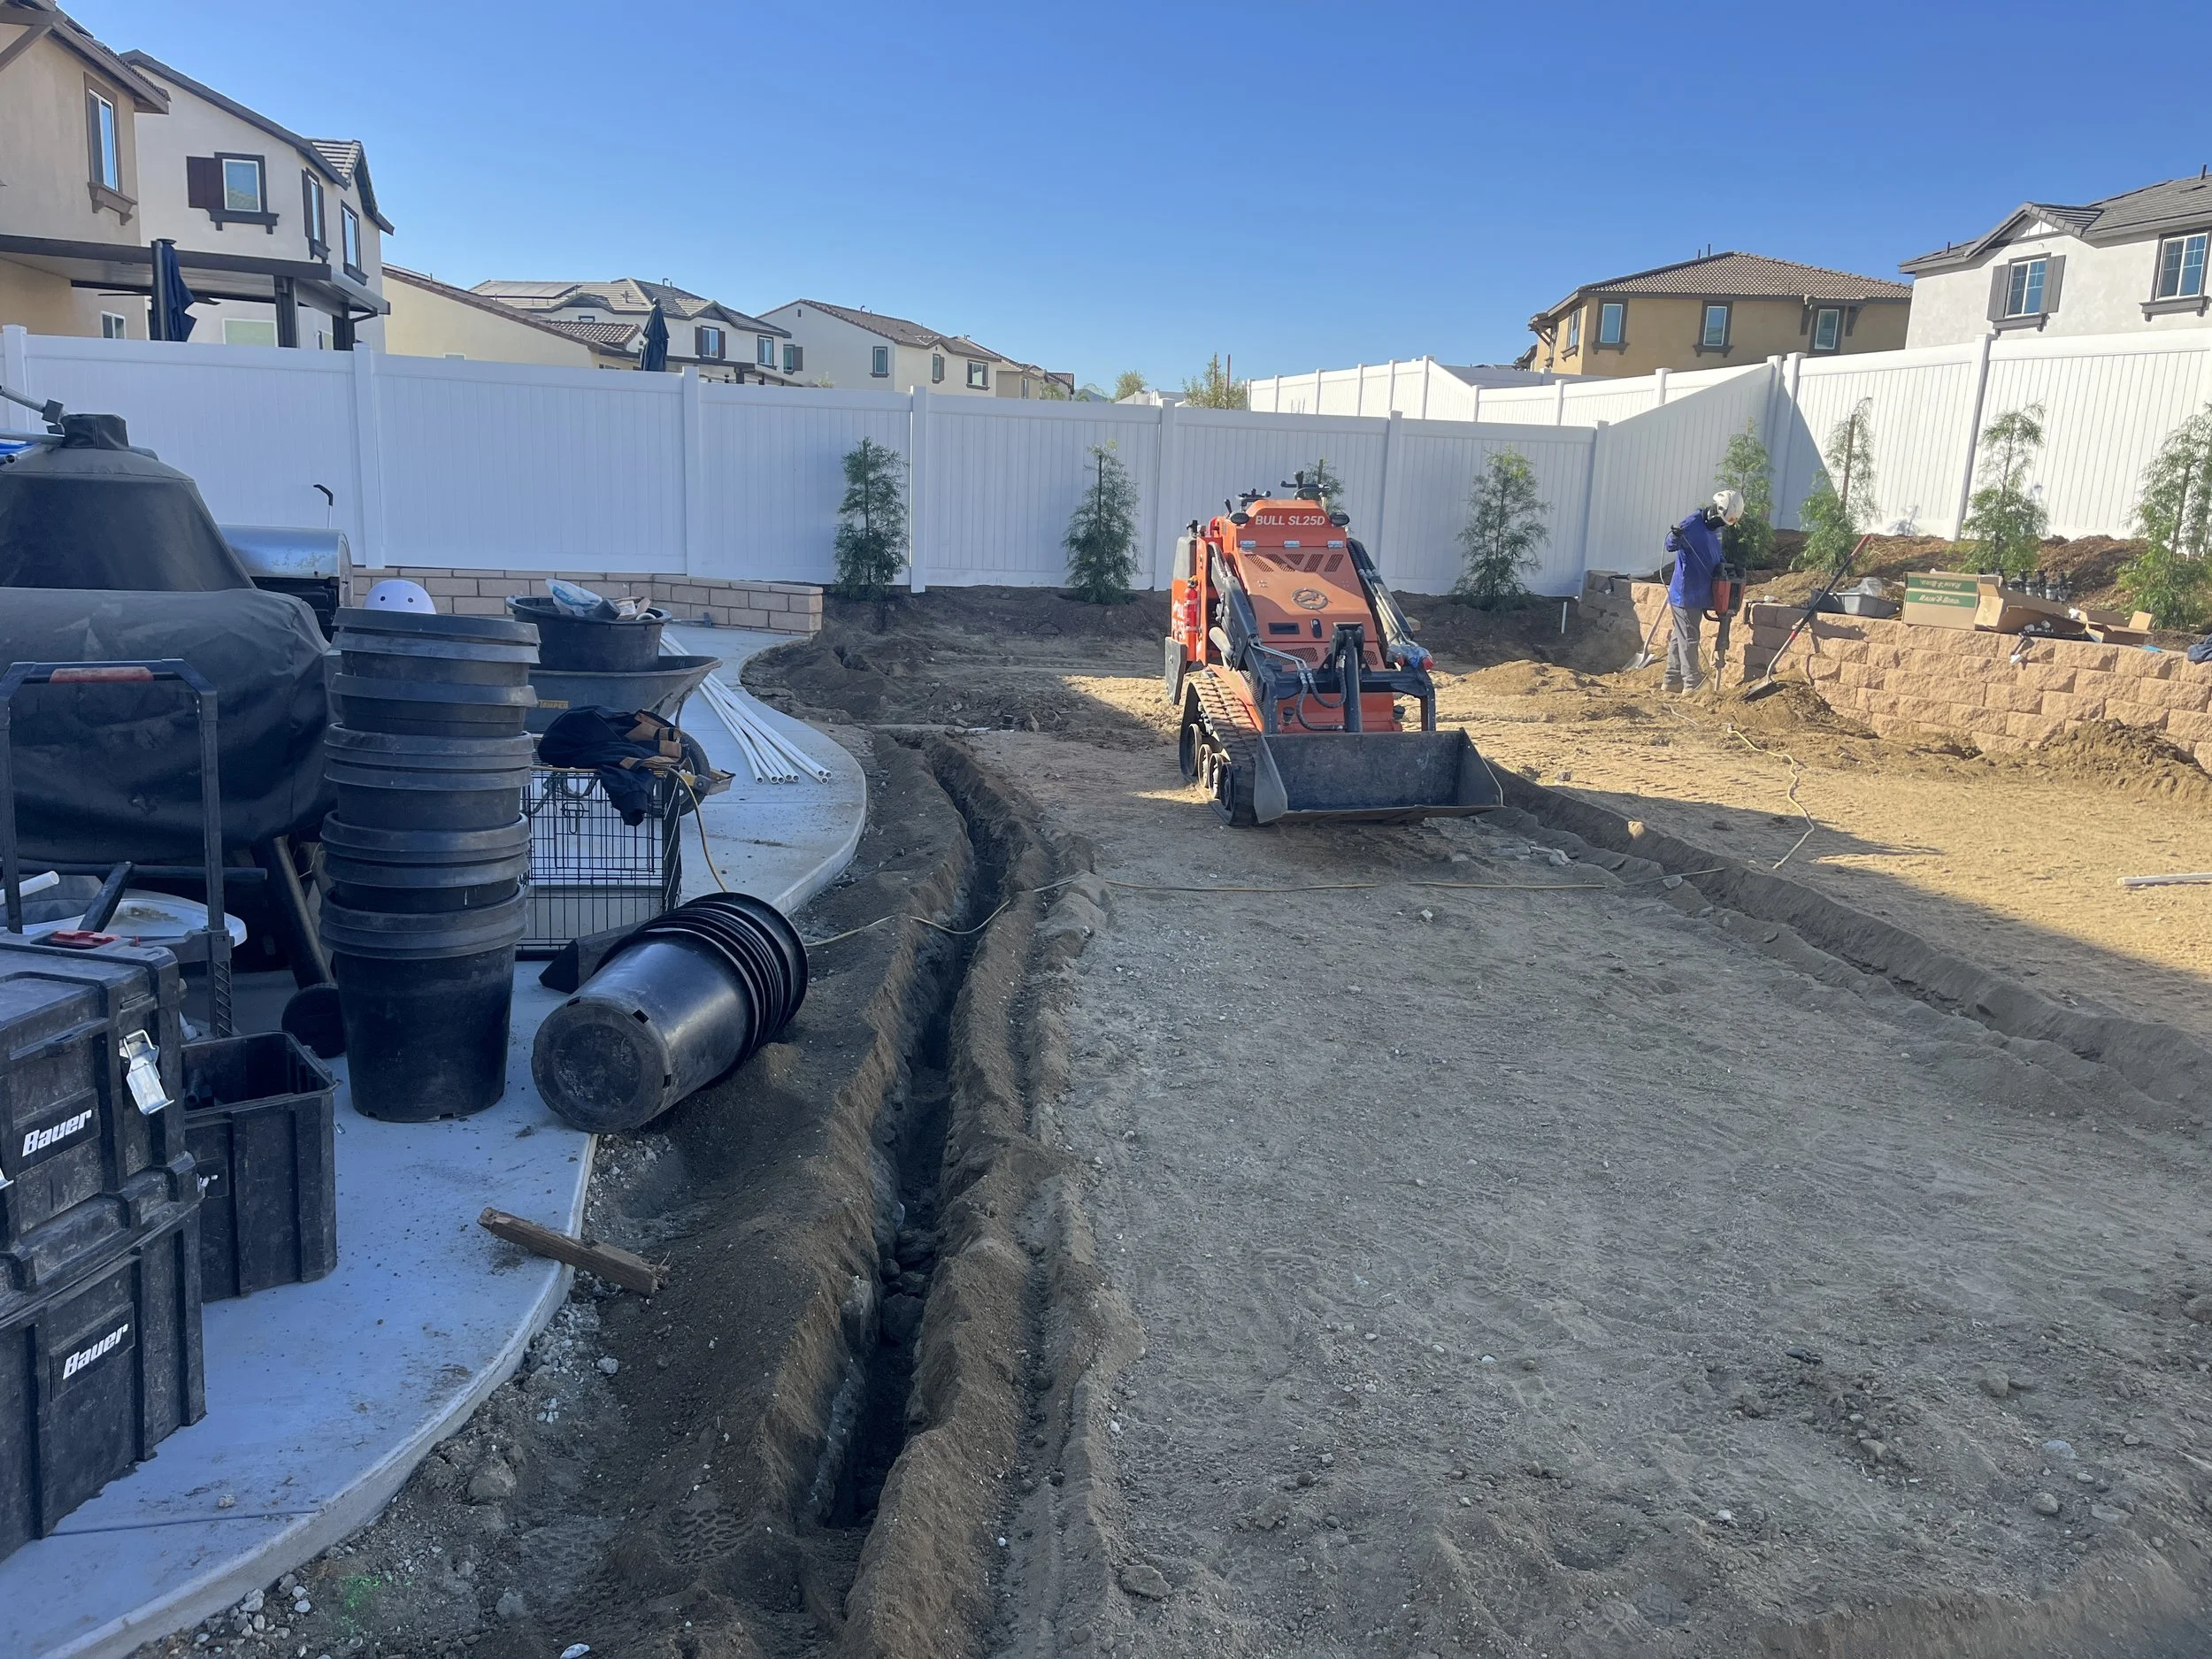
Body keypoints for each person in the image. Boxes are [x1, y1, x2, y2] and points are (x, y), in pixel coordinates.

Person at [1662, 490, 1744, 694]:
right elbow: (1669, 545)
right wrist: (1675, 535)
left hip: (1702, 591)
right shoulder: (1691, 524)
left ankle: (1671, 680)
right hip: (1686, 592)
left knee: (1679, 637)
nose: (1722, 525)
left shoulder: (1716, 528)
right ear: (1715, 510)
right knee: (1689, 638)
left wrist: (1726, 567)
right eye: (1722, 521)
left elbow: (1716, 553)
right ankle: (1692, 683)